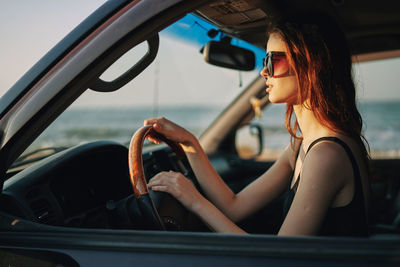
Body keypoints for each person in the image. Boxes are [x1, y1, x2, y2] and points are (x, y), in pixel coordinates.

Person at [145, 14, 370, 236]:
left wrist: (194, 200)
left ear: (310, 65)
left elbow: (277, 257)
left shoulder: (326, 155)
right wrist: (189, 142)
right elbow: (234, 207)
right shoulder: (302, 147)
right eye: (265, 61)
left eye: (273, 61)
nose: (264, 71)